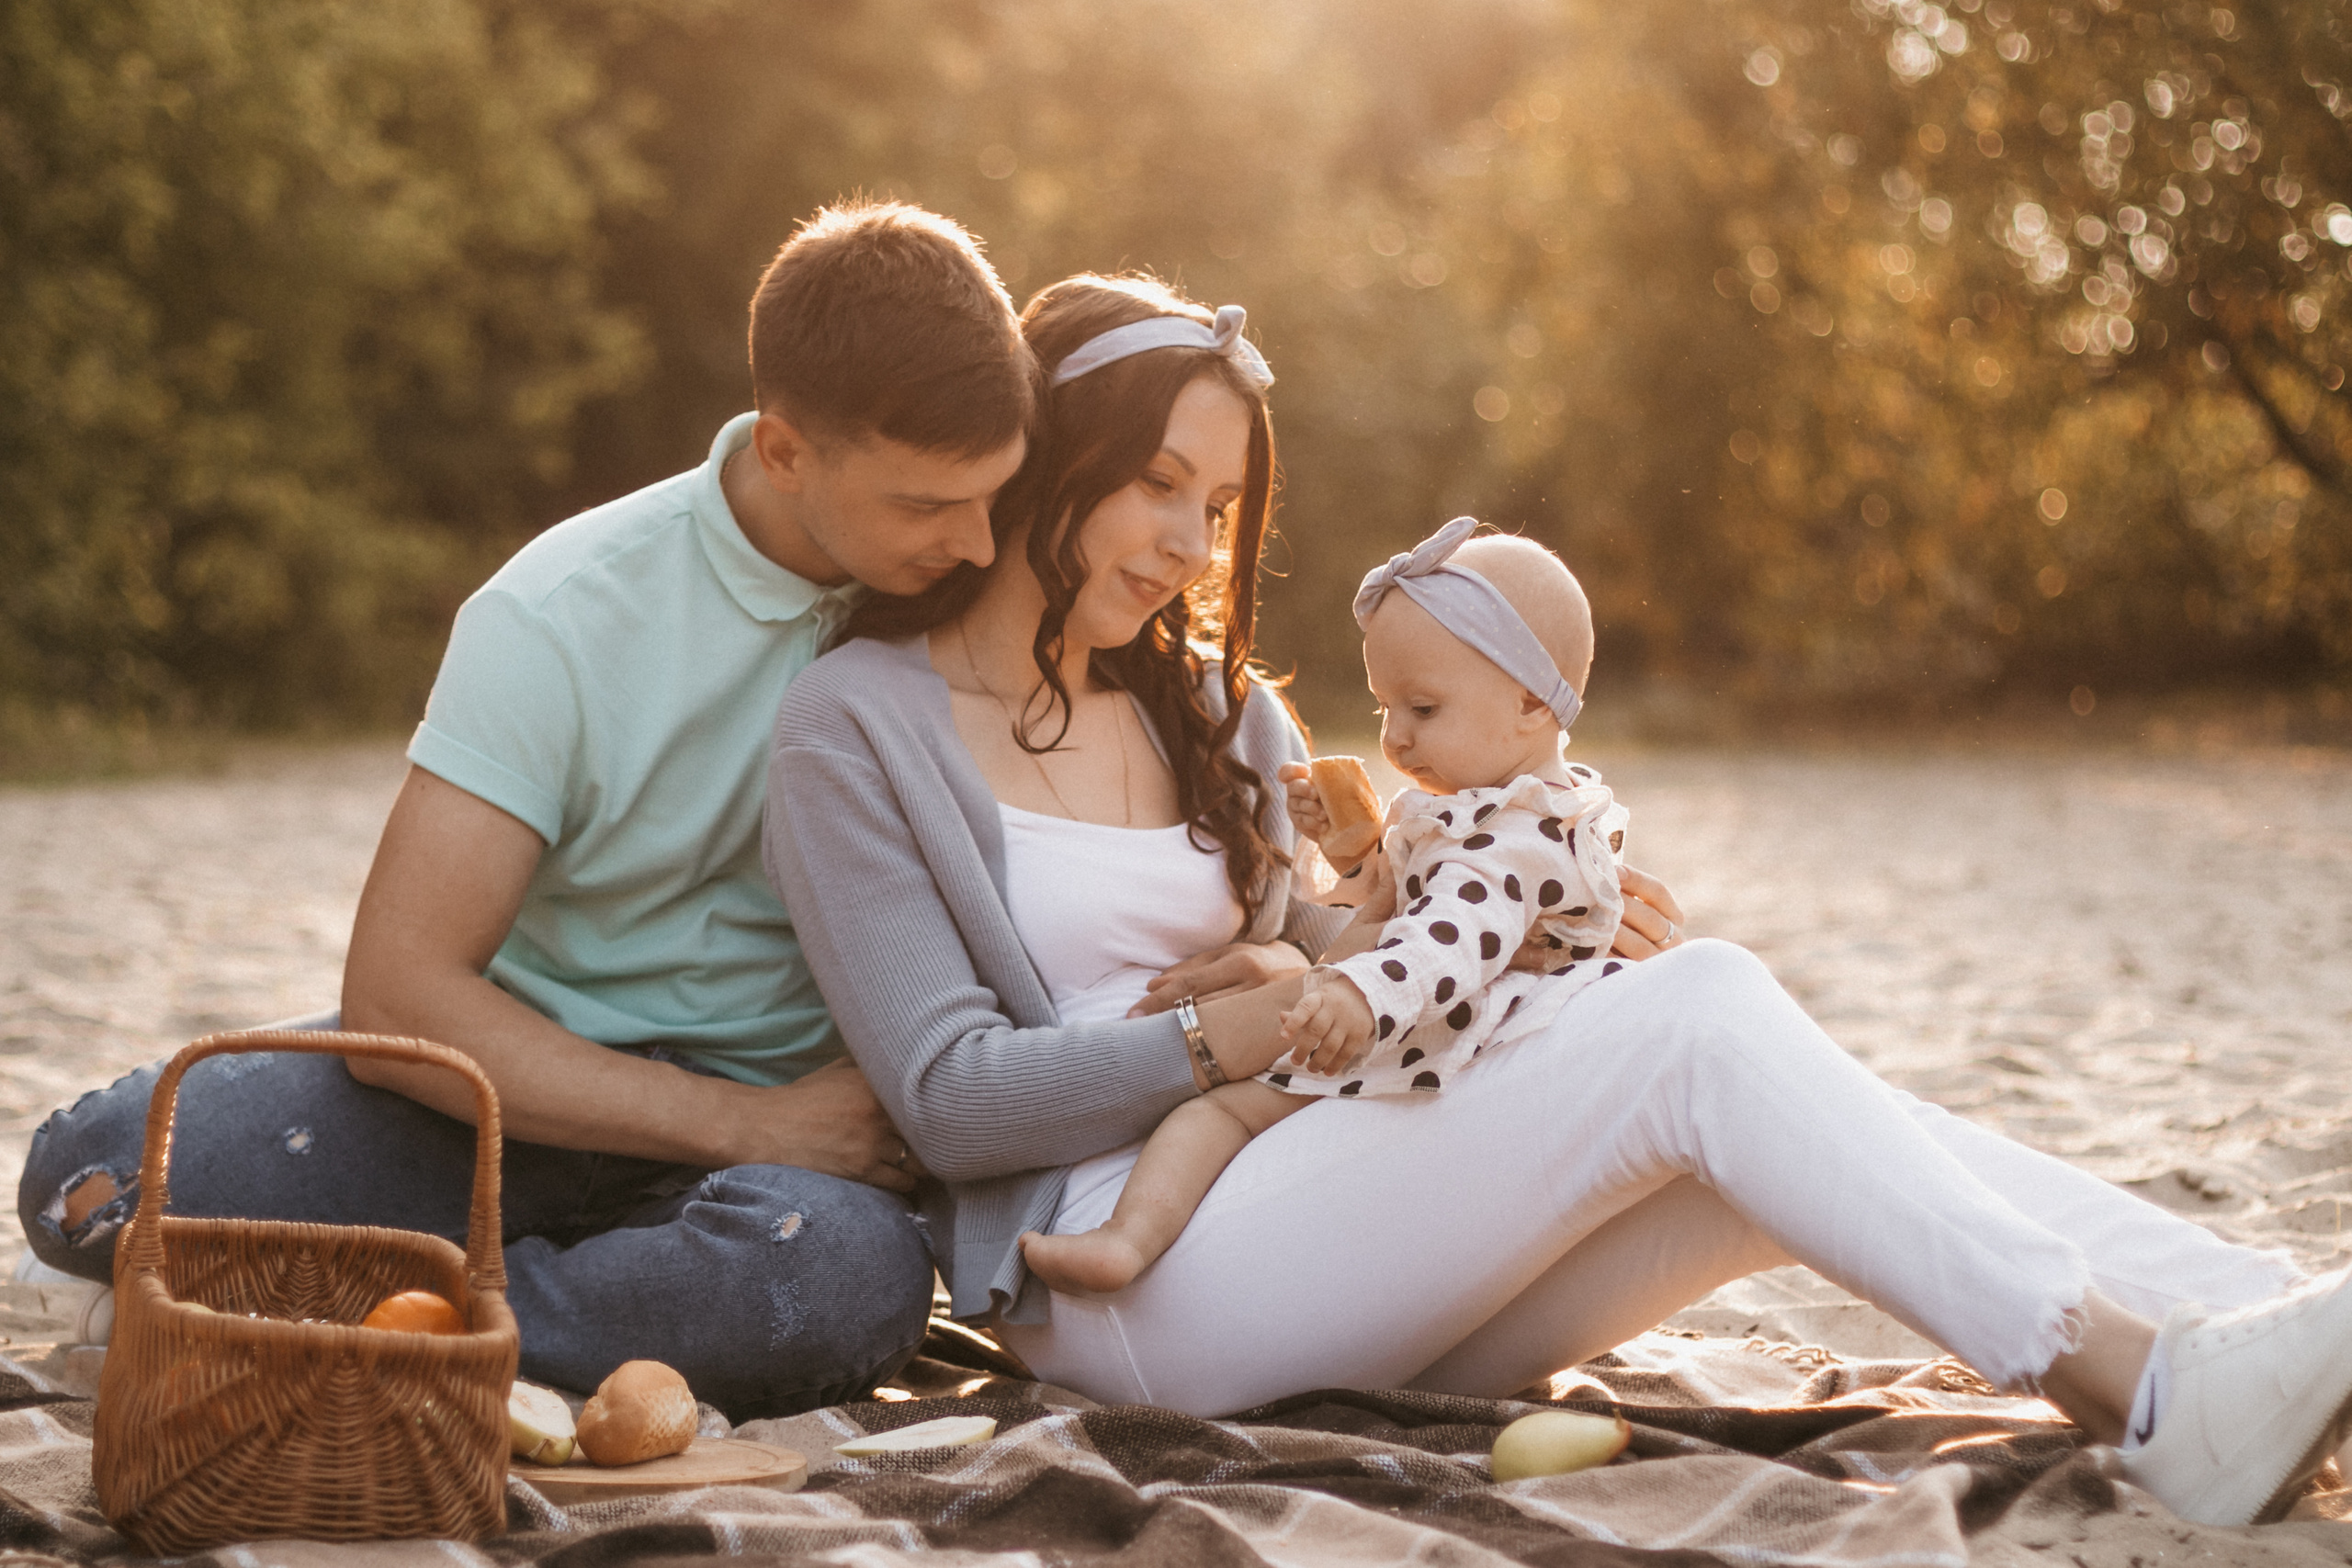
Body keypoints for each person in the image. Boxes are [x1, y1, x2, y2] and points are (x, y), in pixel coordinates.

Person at [766, 269, 2352, 1529]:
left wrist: (1524, 949)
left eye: (1220, 504)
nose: (1191, 542)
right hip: (1122, 1279)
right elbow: (952, 1102)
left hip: (1335, 1221)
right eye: (1155, 486)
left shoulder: (1214, 705)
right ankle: (2152, 1399)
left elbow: (1349, 954)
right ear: (1055, 453)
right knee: (1706, 1021)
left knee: (1737, 1118)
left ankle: (2266, 1341)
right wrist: (1223, 1040)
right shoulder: (858, 728)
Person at [15, 200, 1037, 1418]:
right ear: (783, 451)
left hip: (791, 1174)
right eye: (927, 506)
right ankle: (458, 1316)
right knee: (92, 1180)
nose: (978, 543)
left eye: (995, 494)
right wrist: (740, 1118)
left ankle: (379, 1322)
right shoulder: (560, 609)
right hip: (528, 1090)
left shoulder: (990, 591)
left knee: (844, 1287)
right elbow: (401, 983)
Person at [1018, 520, 1633, 1294]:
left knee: (1219, 1114)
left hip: (1441, 1061)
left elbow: (1445, 941)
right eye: (1385, 711)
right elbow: (1410, 903)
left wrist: (1356, 991)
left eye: (1423, 708)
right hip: (1425, 1039)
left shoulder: (1518, 839)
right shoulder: (1491, 814)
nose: (1397, 739)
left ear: (1529, 703)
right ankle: (1132, 1238)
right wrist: (1355, 850)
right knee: (1227, 1116)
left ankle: (1127, 1238)